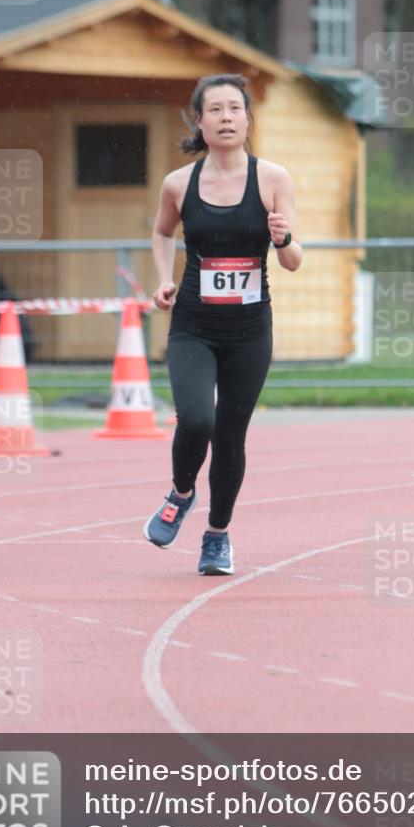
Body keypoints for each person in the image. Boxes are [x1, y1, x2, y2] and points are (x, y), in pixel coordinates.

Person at [143, 73, 302, 575]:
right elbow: (162, 231)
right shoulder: (179, 183)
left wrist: (282, 238)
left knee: (230, 437)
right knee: (196, 419)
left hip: (250, 332)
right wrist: (163, 278)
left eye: (236, 108)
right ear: (200, 121)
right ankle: (181, 491)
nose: (227, 117)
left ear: (249, 120)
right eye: (216, 110)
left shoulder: (273, 178)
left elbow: (295, 260)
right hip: (193, 325)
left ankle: (217, 536)